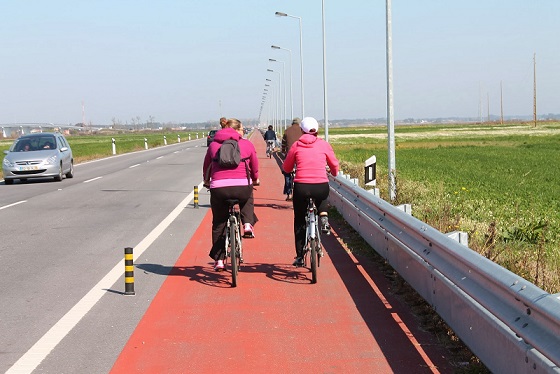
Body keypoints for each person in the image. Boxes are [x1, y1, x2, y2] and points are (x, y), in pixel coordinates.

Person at [203, 118, 260, 271]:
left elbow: (206, 166)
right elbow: (254, 165)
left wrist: (207, 181)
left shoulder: (214, 145)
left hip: (219, 189)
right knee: (247, 198)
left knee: (219, 223)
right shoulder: (247, 144)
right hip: (242, 187)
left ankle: (220, 260)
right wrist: (255, 179)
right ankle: (247, 224)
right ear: (238, 131)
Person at [282, 117, 339, 267]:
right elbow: (334, 165)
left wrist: (289, 170)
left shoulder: (296, 145)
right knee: (322, 194)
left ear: (302, 131)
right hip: (320, 185)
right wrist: (333, 171)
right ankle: (324, 217)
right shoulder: (324, 145)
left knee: (300, 219)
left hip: (301, 186)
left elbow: (287, 167)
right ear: (317, 131)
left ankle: (300, 256)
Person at [281, 118, 302, 201]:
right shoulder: (302, 131)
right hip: (301, 155)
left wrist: (283, 151)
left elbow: (283, 143)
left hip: (290, 155)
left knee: (287, 173)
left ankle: (289, 194)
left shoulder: (287, 131)